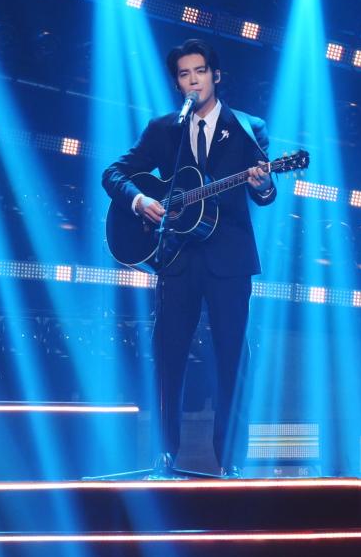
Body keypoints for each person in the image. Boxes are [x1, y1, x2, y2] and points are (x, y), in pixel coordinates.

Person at [102, 38, 276, 477]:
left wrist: (262, 185)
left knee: (231, 357)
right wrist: (140, 200)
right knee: (168, 354)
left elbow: (266, 193)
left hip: (229, 260)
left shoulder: (248, 127)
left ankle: (230, 462)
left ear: (216, 75)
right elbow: (113, 173)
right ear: (177, 83)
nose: (193, 81)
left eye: (200, 71)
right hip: (176, 257)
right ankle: (164, 457)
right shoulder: (166, 129)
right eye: (184, 74)